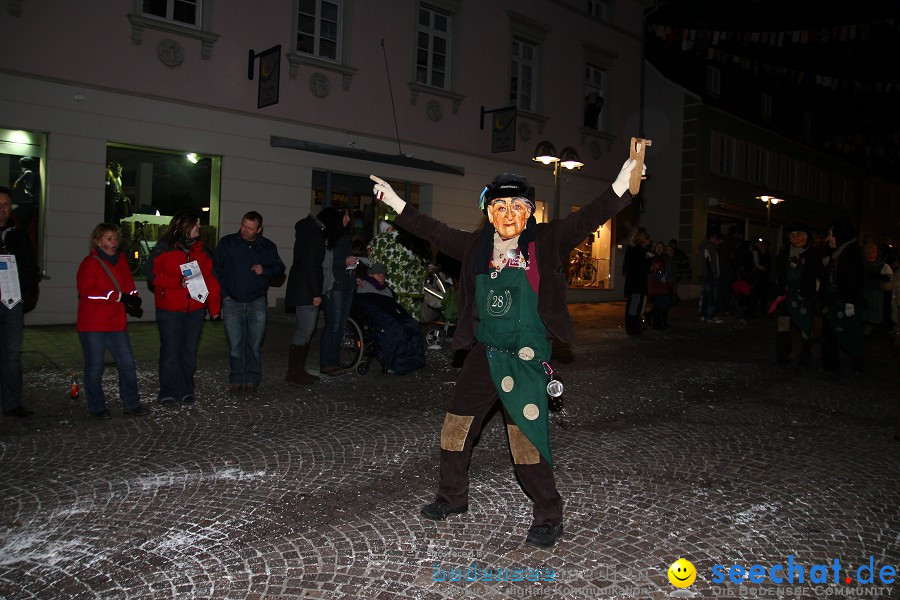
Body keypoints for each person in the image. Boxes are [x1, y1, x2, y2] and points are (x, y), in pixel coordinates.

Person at [370, 146, 643, 549]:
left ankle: (549, 515)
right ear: (489, 212)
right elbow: (432, 230)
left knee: (526, 439)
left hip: (528, 358)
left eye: (517, 205)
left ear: (530, 211)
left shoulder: (546, 241)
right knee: (456, 428)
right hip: (485, 354)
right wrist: (395, 202)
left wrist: (624, 182)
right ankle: (452, 497)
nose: (509, 214)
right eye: (500, 206)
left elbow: (591, 215)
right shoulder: (476, 246)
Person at [146, 210, 221, 405]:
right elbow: (152, 275)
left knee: (189, 353)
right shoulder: (163, 248)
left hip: (195, 310)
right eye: (195, 224)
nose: (199, 227)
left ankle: (186, 390)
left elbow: (210, 280)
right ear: (184, 227)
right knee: (170, 352)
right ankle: (168, 392)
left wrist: (214, 307)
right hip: (170, 310)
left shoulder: (202, 251)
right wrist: (176, 281)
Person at [76, 223, 149, 419]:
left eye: (116, 238)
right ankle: (97, 406)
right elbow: (88, 293)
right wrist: (118, 297)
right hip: (93, 324)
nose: (113, 243)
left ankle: (131, 404)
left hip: (116, 323)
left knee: (127, 364)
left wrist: (134, 298)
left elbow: (128, 287)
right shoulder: (89, 263)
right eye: (109, 239)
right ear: (97, 241)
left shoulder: (122, 261)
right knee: (95, 366)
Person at [213, 211, 285, 393]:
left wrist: (265, 269)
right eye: (243, 226)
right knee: (236, 345)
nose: (245, 230)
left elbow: (280, 269)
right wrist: (224, 295)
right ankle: (237, 377)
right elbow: (215, 270)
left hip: (256, 301)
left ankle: (252, 377)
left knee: (254, 344)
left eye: (250, 228)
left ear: (259, 229)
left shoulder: (267, 246)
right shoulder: (228, 243)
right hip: (232, 301)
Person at [0, 187, 40, 418]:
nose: (3, 209)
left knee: (12, 354)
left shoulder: (19, 235)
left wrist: (26, 291)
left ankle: (12, 403)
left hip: (12, 303)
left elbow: (29, 267)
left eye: (6, 205)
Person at [283, 208, 330, 385]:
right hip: (306, 289)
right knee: (305, 330)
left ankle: (296, 370)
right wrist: (316, 293)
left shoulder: (306, 230)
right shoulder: (315, 233)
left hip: (301, 286)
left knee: (305, 330)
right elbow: (313, 264)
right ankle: (295, 372)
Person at [820, 220, 865, 376]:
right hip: (833, 301)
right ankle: (830, 365)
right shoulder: (838, 252)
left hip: (845, 302)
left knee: (850, 333)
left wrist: (851, 301)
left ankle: (857, 364)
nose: (828, 238)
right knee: (830, 332)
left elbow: (855, 278)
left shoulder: (851, 252)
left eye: (831, 235)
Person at [773, 224, 820, 367]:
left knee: (805, 328)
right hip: (785, 298)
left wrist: (810, 291)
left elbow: (817, 275)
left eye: (799, 235)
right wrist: (780, 287)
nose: (796, 239)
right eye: (793, 235)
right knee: (783, 327)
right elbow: (779, 272)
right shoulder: (784, 252)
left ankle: (805, 357)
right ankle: (783, 355)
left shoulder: (812, 253)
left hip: (804, 298)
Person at [319, 206, 358, 376]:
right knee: (333, 324)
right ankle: (327, 363)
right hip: (334, 286)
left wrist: (354, 273)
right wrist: (344, 261)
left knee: (341, 325)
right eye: (347, 215)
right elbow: (325, 263)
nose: (348, 220)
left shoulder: (344, 236)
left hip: (346, 284)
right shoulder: (328, 237)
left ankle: (334, 361)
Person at [368, 219, 430, 319]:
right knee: (410, 324)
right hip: (412, 293)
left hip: (387, 290)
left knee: (390, 322)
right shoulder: (414, 240)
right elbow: (422, 267)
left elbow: (371, 260)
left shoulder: (379, 239)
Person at [622, 227, 651, 335]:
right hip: (637, 282)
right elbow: (641, 267)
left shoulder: (632, 248)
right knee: (634, 305)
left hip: (633, 282)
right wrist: (647, 259)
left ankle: (632, 326)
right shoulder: (638, 249)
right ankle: (632, 327)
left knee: (634, 304)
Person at [862, 242, 893, 337]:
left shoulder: (883, 266)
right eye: (868, 252)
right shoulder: (862, 265)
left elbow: (890, 280)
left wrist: (879, 276)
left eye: (873, 252)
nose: (871, 254)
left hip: (877, 295)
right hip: (864, 294)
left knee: (875, 316)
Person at [698, 229, 723, 323]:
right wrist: (713, 274)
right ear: (712, 237)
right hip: (709, 276)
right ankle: (710, 316)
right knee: (710, 297)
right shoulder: (708, 247)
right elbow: (709, 262)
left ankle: (704, 315)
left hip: (707, 275)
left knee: (706, 296)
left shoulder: (705, 246)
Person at [647, 241, 674, 329]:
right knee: (661, 303)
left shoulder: (660, 258)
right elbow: (655, 269)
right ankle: (652, 319)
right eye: (658, 246)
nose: (659, 248)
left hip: (660, 285)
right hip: (657, 284)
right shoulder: (654, 257)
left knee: (661, 304)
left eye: (661, 247)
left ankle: (657, 323)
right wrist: (662, 276)